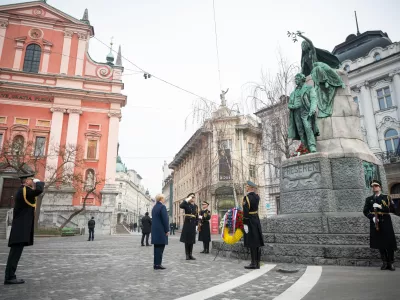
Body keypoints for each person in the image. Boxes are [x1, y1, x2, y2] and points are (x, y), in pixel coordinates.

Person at [4, 173, 44, 285]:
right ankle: (9, 277)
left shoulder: (23, 190)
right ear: (26, 181)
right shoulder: (25, 191)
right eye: (31, 179)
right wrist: (39, 182)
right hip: (20, 229)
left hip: (20, 228)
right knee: (14, 254)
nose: (32, 181)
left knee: (15, 254)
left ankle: (10, 276)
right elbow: (38, 191)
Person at [363, 179, 397, 271]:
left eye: (376, 185)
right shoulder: (369, 199)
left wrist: (380, 206)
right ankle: (384, 262)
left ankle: (391, 262)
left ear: (380, 187)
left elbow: (392, 209)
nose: (374, 187)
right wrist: (372, 217)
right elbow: (365, 211)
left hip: (385, 220)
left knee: (389, 243)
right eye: (373, 186)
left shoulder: (386, 197)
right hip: (376, 222)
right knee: (380, 243)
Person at [288, 73, 319, 153]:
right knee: (300, 131)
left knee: (308, 128)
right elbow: (289, 104)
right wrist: (293, 106)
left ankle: (312, 146)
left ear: (302, 79)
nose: (295, 81)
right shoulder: (293, 93)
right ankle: (304, 148)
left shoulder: (309, 88)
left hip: (305, 111)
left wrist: (312, 109)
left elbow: (313, 99)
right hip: (296, 113)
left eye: (297, 79)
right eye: (295, 79)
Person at [243, 181, 265, 269]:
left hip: (250, 221)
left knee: (252, 242)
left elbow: (245, 212)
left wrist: (245, 223)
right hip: (256, 219)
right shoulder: (257, 197)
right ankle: (257, 262)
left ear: (251, 188)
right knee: (257, 242)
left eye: (247, 186)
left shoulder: (247, 198)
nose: (246, 187)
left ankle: (253, 263)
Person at [151, 194, 169, 270]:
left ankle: (156, 264)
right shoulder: (162, 207)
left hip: (155, 231)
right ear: (161, 198)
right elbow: (165, 220)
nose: (164, 199)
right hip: (161, 231)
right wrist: (167, 230)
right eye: (164, 198)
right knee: (160, 248)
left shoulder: (154, 207)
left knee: (156, 248)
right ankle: (158, 264)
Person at [180, 193, 198, 260]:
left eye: (193, 197)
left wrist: (196, 225)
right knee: (187, 240)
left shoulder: (196, 206)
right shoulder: (186, 204)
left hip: (193, 224)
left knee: (192, 239)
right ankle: (187, 254)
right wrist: (187, 199)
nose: (193, 198)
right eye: (191, 197)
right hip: (187, 223)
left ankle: (190, 254)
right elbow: (181, 205)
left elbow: (196, 216)